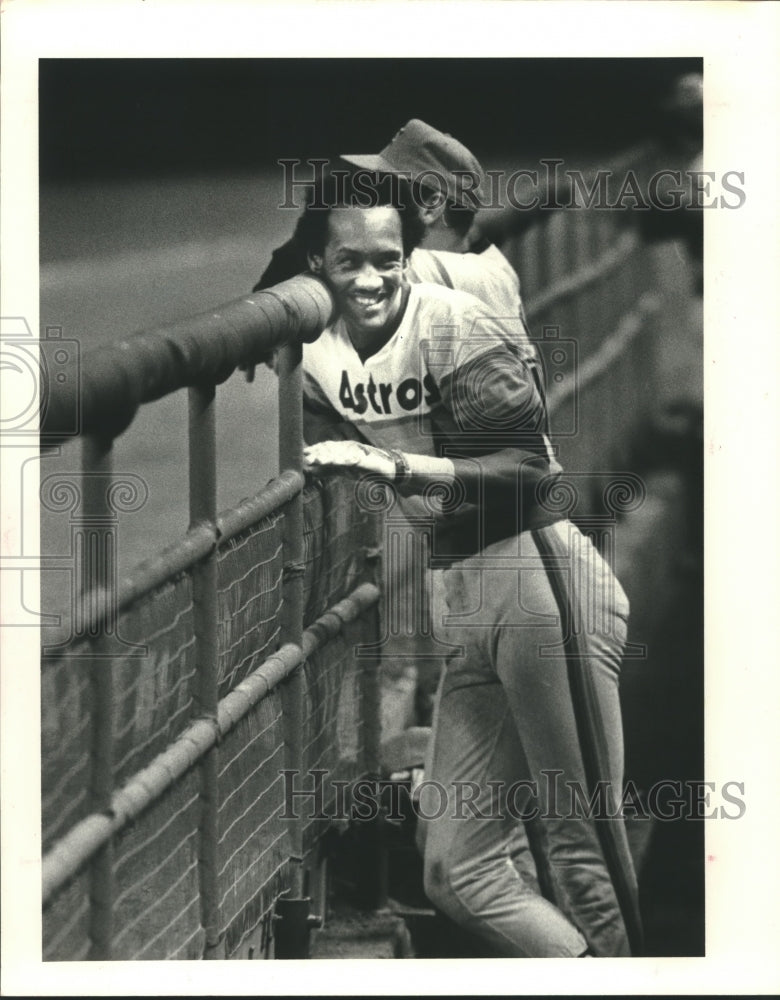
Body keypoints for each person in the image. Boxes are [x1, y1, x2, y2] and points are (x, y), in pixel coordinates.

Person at [297, 171, 643, 957]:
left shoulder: (453, 320)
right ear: (315, 266)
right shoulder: (315, 349)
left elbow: (526, 469)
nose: (372, 277)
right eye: (347, 260)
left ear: (410, 254)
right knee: (456, 868)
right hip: (468, 601)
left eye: (389, 258)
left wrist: (401, 471)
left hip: (541, 581)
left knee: (581, 851)